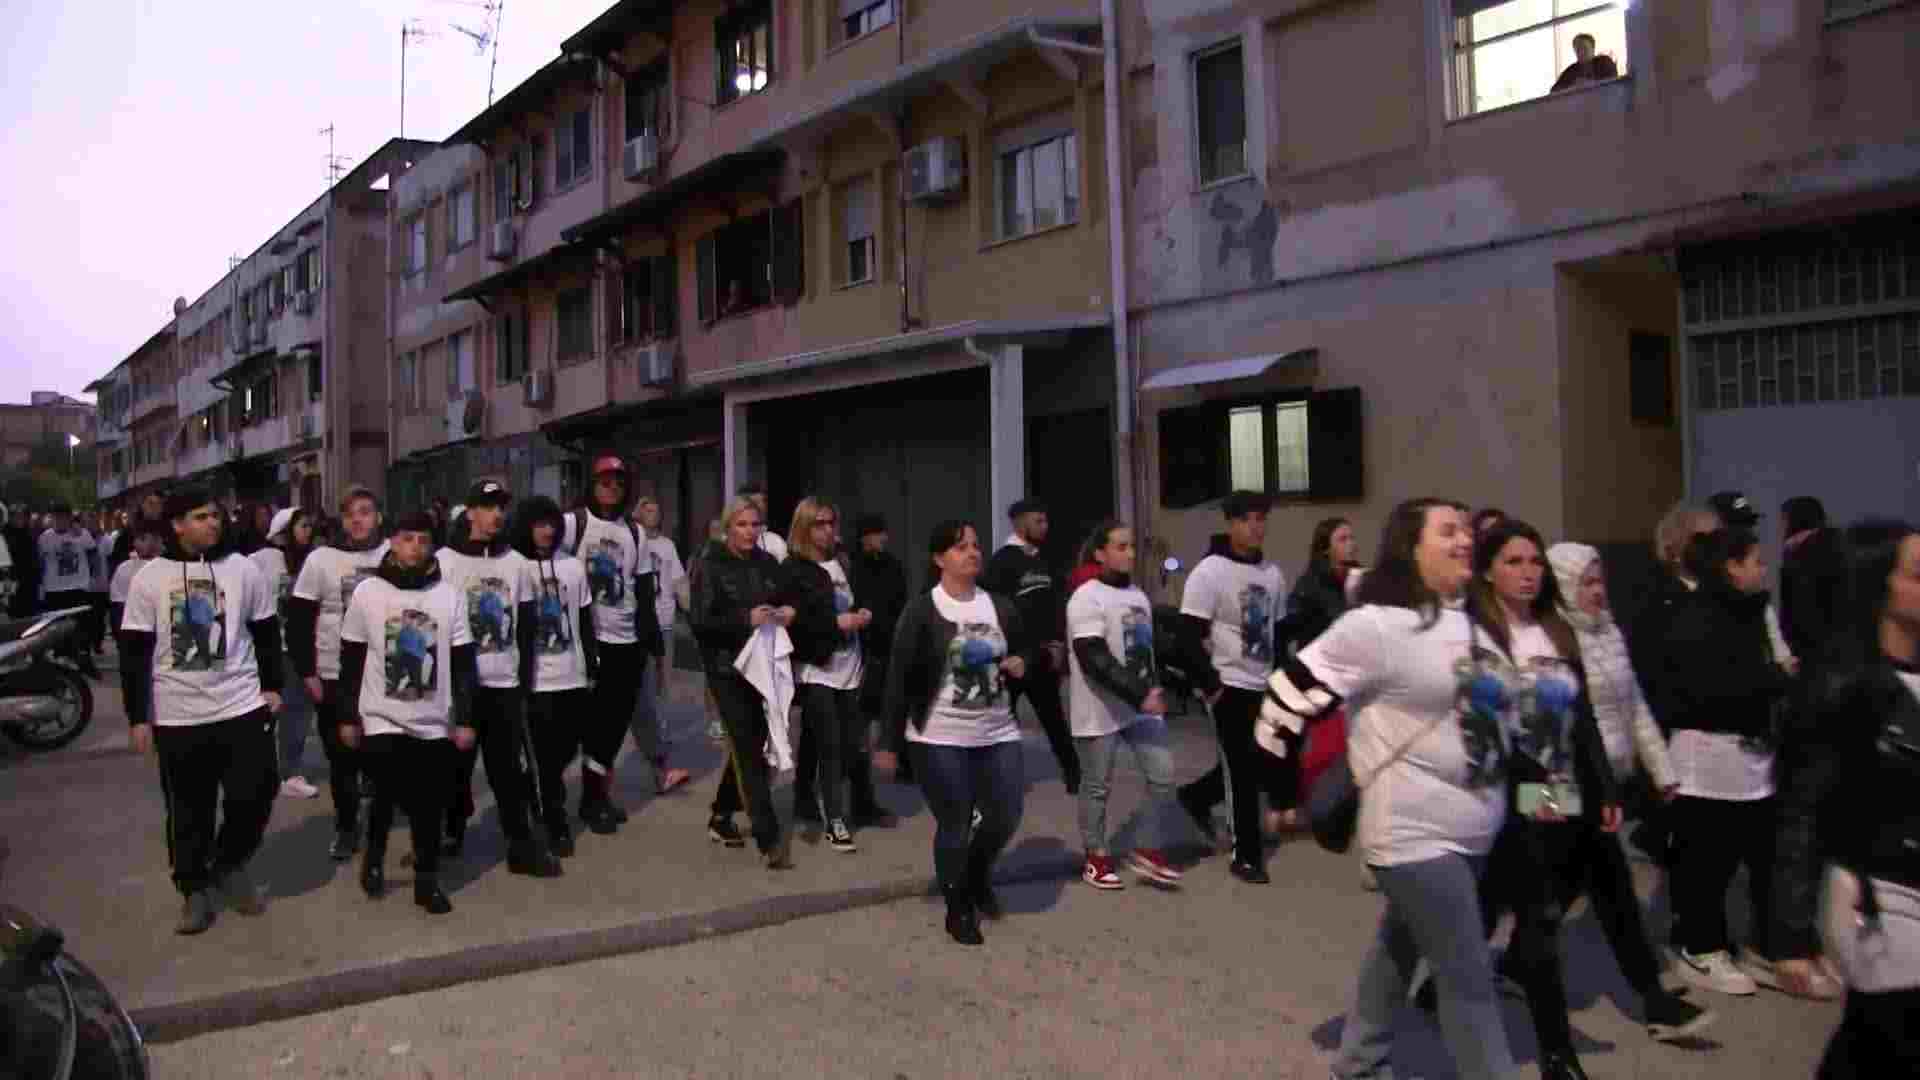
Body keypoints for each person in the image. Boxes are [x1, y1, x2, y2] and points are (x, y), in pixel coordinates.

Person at [1262, 498, 1520, 1079]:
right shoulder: (1376, 625)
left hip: (1472, 829)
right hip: (1413, 833)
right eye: (1447, 532)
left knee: (1399, 949)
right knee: (1469, 979)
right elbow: (1284, 699)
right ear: (1412, 547)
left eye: (1465, 532)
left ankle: (1357, 1064)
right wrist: (1281, 795)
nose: (1463, 541)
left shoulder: (1473, 622)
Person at [1471, 523, 1710, 1079]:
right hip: (1523, 792)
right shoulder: (1482, 636)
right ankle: (1556, 1049)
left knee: (1601, 882)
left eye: (1534, 561)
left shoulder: (1558, 632)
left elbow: (1584, 726)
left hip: (1570, 785)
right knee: (1533, 907)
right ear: (1488, 570)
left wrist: (1603, 787)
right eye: (1513, 561)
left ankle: (1635, 1005)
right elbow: (1484, 738)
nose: (1528, 572)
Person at [1774, 520, 1920, 1073]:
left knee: (1873, 1042)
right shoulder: (1840, 686)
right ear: (1878, 586)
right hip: (1880, 894)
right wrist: (1789, 933)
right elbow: (1801, 811)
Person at [118, 485, 285, 935]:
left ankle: (229, 864)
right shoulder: (149, 578)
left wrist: (273, 686)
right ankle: (193, 887)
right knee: (188, 809)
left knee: (258, 789)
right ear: (176, 525)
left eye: (214, 515)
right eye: (199, 517)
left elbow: (267, 631)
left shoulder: (243, 569)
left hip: (242, 703)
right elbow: (134, 652)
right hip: (178, 714)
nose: (212, 523)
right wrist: (138, 716)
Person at [1650, 526, 1795, 997]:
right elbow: (1708, 688)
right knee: (1705, 861)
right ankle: (1698, 946)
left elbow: (1764, 668)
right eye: (1755, 559)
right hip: (1702, 759)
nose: (1763, 568)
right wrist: (1774, 679)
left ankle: (1752, 946)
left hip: (1749, 756)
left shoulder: (1749, 611)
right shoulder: (1689, 613)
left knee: (1758, 855)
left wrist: (1773, 678)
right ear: (1730, 566)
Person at [881, 519, 1031, 945]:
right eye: (961, 547)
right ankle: (957, 905)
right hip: (939, 736)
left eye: (976, 545)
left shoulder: (1000, 607)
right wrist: (889, 743)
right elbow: (898, 679)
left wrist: (1024, 664)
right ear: (939, 559)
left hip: (998, 730)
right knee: (956, 821)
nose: (972, 553)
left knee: (1005, 814)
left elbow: (1025, 654)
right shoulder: (922, 610)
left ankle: (977, 873)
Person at [337, 511, 476, 915]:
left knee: (429, 803)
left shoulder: (448, 596)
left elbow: (464, 661)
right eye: (407, 538)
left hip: (433, 719)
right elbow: (352, 659)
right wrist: (347, 716)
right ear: (392, 542)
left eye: (422, 539)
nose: (415, 546)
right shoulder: (368, 593)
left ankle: (426, 882)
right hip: (381, 716)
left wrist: (465, 718)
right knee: (385, 794)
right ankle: (374, 860)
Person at [437, 479, 559, 877]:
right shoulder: (444, 562)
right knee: (454, 769)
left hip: (504, 685)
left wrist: (524, 680)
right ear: (470, 511)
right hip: (460, 687)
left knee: (509, 771)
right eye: (488, 507)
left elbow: (525, 626)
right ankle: (451, 828)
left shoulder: (516, 565)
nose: (496, 515)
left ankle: (521, 845)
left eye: (501, 507)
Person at [1172, 491, 1288, 884]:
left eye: (1261, 519)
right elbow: (1187, 635)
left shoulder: (1272, 574)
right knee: (1241, 769)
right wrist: (1211, 685)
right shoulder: (1210, 572)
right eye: (1247, 520)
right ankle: (1247, 856)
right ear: (1231, 524)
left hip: (1264, 684)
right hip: (1228, 684)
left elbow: (1280, 631)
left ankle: (1195, 797)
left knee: (1259, 762)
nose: (1255, 527)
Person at [1069, 520, 1182, 890]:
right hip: (1100, 708)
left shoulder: (1137, 595)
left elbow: (1144, 650)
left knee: (1163, 777)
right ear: (1100, 553)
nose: (1130, 553)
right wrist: (1139, 693)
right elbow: (1093, 656)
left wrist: (1165, 682)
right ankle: (1096, 858)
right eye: (1120, 546)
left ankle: (1148, 850)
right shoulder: (1086, 597)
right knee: (1098, 786)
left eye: (1131, 546)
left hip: (1141, 706)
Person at [287, 486, 389, 861]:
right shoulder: (321, 560)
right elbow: (298, 620)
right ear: (341, 521)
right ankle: (347, 828)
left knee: (381, 757)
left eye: (365, 511)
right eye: (350, 514)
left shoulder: (394, 553)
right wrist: (308, 672)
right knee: (342, 759)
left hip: (384, 675)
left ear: (378, 515)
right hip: (334, 675)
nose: (358, 519)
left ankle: (381, 818)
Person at [565, 453, 667, 829]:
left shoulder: (635, 532)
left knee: (611, 729)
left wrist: (651, 642)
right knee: (574, 726)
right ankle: (552, 801)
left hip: (627, 643)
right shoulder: (573, 524)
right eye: (604, 481)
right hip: (586, 641)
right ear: (591, 485)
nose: (611, 488)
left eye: (618, 482)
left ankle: (594, 799)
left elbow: (643, 589)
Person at [690, 496, 793, 867]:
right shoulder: (710, 564)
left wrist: (785, 611)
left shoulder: (767, 563)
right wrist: (743, 619)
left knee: (756, 742)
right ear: (727, 527)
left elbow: (783, 597)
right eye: (742, 525)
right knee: (748, 747)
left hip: (763, 665)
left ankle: (721, 814)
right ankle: (770, 838)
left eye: (755, 525)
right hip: (727, 669)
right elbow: (700, 621)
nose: (749, 532)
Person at [780, 497, 874, 852]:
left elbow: (854, 600)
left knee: (845, 742)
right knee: (831, 744)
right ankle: (835, 818)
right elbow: (794, 621)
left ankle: (805, 796)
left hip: (850, 664)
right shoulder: (793, 568)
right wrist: (836, 623)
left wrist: (861, 612)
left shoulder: (843, 562)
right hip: (816, 668)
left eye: (831, 522)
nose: (828, 529)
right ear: (804, 527)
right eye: (819, 523)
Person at [512, 496, 597, 859]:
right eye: (538, 524)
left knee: (568, 747)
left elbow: (586, 618)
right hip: (536, 679)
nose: (545, 531)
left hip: (573, 673)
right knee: (543, 755)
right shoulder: (516, 568)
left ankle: (544, 798)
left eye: (550, 524)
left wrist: (592, 666)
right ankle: (554, 818)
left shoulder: (573, 567)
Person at [982, 497, 1080, 796]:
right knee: (1000, 722)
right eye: (1038, 521)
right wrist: (1001, 652)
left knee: (1054, 720)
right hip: (1011, 658)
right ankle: (998, 781)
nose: (1044, 527)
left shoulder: (1045, 559)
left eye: (1046, 521)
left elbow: (1055, 605)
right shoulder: (1002, 561)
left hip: (1043, 655)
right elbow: (991, 608)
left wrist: (1059, 643)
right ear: (1019, 522)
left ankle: (1074, 774)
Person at [252, 509, 320, 800]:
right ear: (285, 528)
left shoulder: (312, 560)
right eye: (303, 525)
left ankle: (289, 771)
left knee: (297, 711)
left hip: (299, 648)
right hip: (269, 647)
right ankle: (269, 770)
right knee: (270, 710)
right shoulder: (261, 559)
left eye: (310, 526)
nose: (308, 531)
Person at [845, 512, 908, 802]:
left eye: (883, 532)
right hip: (862, 650)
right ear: (863, 537)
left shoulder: (893, 565)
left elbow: (900, 602)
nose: (882, 538)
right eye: (876, 533)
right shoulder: (852, 567)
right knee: (861, 715)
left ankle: (903, 764)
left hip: (889, 647)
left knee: (894, 709)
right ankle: (852, 768)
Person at [632, 494, 691, 795]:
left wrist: (693, 612)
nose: (653, 513)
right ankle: (652, 743)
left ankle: (661, 738)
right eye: (648, 508)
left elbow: (680, 583)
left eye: (656, 509)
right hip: (637, 627)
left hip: (665, 623)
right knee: (641, 687)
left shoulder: (667, 546)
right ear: (638, 513)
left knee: (662, 684)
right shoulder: (631, 540)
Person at [1779, 495, 1846, 668]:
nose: (1781, 527)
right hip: (1841, 651)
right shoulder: (1837, 546)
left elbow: (1798, 611)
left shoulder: (1798, 554)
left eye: (1784, 520)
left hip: (1814, 657)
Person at [1278, 517, 1361, 656]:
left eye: (1352, 538)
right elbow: (1286, 635)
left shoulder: (1362, 579)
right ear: (1325, 549)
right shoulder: (1309, 587)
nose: (1351, 544)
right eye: (1343, 539)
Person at [39, 502, 101, 671]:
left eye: (63, 517)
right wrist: (40, 585)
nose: (59, 521)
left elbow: (93, 555)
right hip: (54, 590)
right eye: (56, 517)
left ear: (69, 518)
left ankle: (84, 659)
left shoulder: (82, 535)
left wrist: (95, 577)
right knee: (57, 629)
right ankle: (61, 661)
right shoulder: (45, 537)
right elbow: (40, 562)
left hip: (78, 587)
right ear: (52, 518)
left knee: (82, 626)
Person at [109, 523, 165, 637]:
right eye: (137, 539)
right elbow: (117, 605)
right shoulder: (124, 568)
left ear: (158, 541)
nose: (137, 543)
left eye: (143, 539)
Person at [736, 481, 787, 562]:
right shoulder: (724, 542)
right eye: (754, 504)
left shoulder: (775, 542)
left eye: (763, 502)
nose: (760, 508)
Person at [1551, 32, 1619, 93]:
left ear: (1593, 49)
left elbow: (1613, 82)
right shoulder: (1571, 70)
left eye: (1584, 48)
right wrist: (1572, 87)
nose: (1581, 52)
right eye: (1578, 49)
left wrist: (1589, 83)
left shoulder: (1604, 62)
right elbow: (1554, 91)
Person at [5, 504, 40, 617]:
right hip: (11, 582)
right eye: (16, 516)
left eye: (23, 516)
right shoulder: (4, 534)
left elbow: (35, 558)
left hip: (29, 583)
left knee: (29, 615)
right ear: (10, 517)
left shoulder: (30, 533)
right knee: (12, 614)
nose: (20, 519)